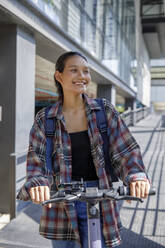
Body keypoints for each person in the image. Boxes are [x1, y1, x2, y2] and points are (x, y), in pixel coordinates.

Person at [17, 51, 150, 248]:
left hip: (100, 198)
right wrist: (37, 183)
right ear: (59, 76)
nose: (82, 76)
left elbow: (126, 151)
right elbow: (36, 160)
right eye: (74, 70)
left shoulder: (104, 111)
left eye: (86, 71)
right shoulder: (45, 119)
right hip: (60, 202)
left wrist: (136, 175)